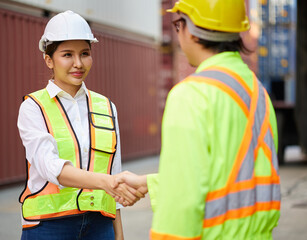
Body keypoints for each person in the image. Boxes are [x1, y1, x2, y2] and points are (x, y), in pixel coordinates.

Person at [115, 0, 281, 239]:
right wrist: (149, 184)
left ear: (190, 29)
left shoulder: (191, 94)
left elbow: (183, 200)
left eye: (177, 25)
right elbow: (228, 176)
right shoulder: (257, 91)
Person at [17, 10, 141, 240]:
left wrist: (119, 236)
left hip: (100, 225)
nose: (78, 63)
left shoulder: (106, 106)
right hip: (48, 227)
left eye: (85, 53)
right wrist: (108, 182)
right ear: (48, 60)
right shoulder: (33, 107)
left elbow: (113, 171)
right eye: (67, 54)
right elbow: (51, 167)